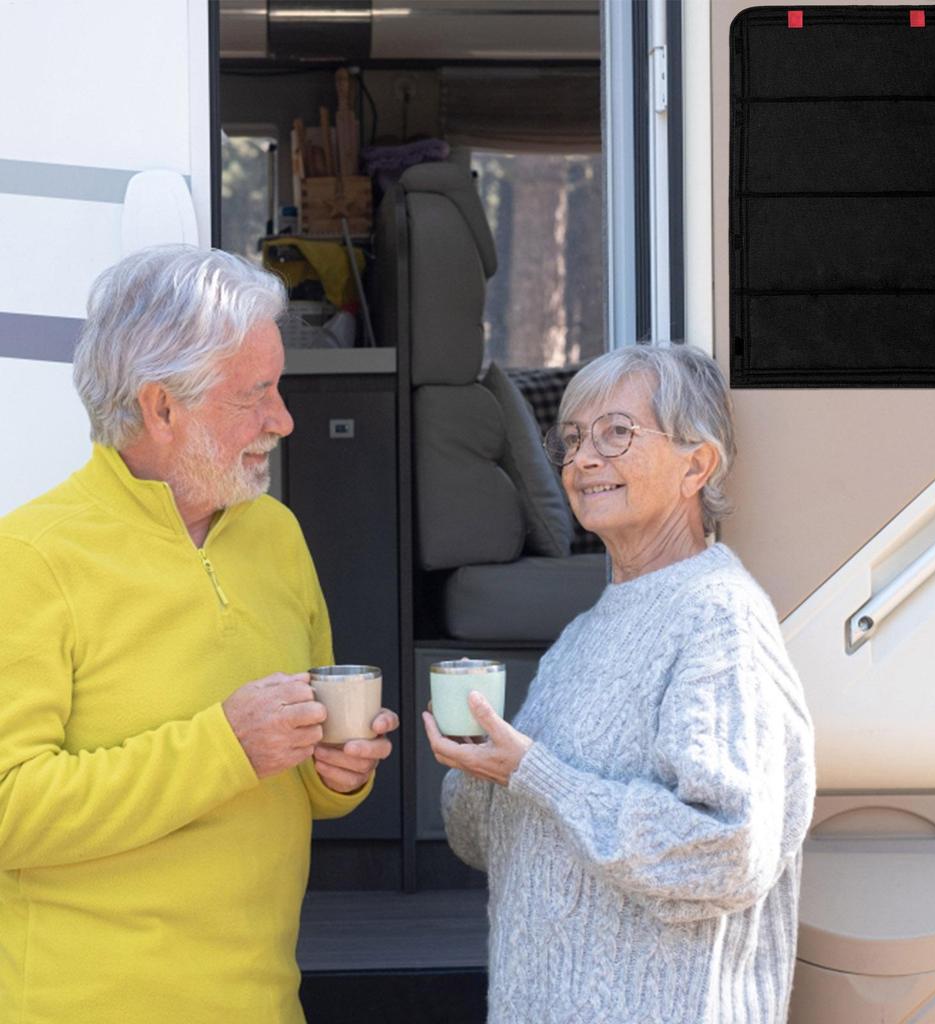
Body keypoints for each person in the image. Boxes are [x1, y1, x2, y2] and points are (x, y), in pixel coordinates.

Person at [0, 245, 399, 1023]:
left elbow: (304, 781)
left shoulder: (276, 534)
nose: (283, 420)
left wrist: (339, 772)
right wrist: (225, 746)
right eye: (256, 394)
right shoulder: (30, 557)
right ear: (161, 408)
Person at [424, 343, 815, 1024]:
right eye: (573, 439)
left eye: (616, 434)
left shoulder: (719, 617)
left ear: (697, 465)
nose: (583, 460)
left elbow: (724, 850)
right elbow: (492, 844)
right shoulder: (583, 636)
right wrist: (478, 769)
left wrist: (537, 774)